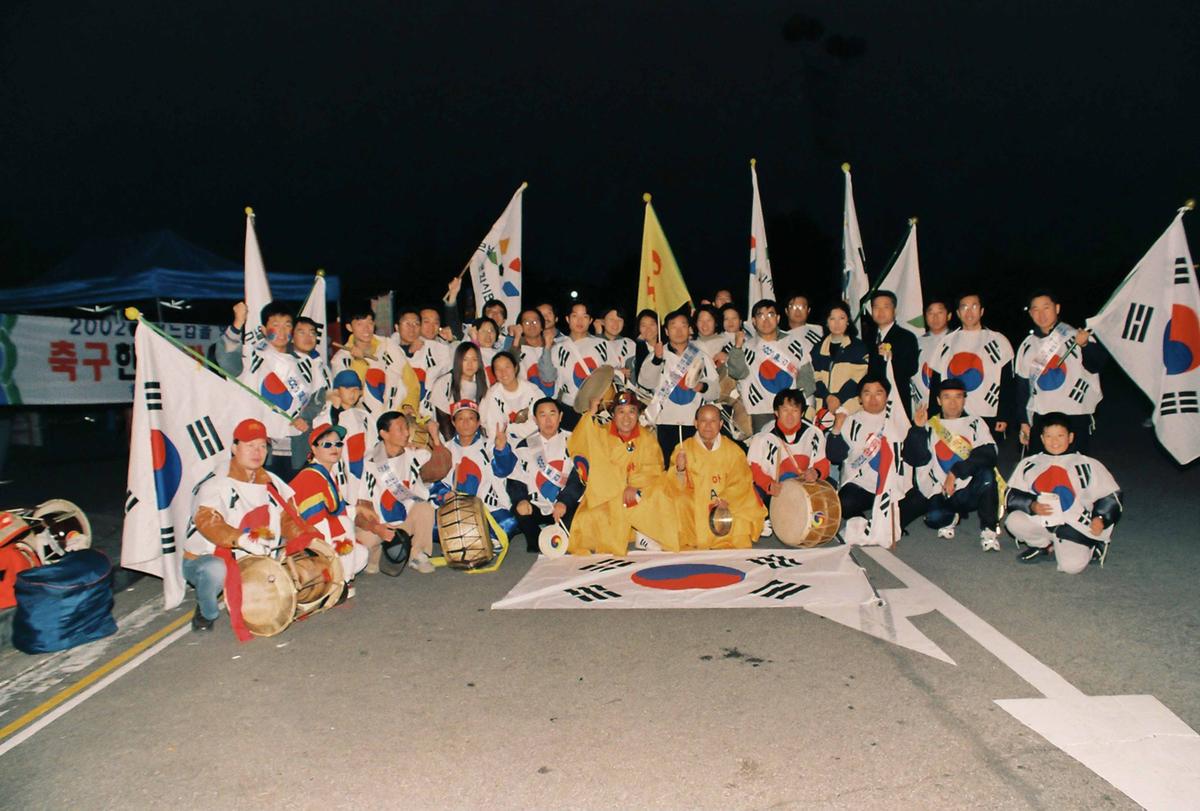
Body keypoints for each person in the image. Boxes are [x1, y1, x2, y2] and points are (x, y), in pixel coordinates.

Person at [186, 419, 319, 634]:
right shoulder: (216, 482)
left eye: (262, 446)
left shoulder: (271, 482)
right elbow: (208, 521)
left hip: (256, 554)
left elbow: (287, 519)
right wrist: (241, 539)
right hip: (208, 556)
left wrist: (305, 536)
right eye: (250, 445)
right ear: (234, 448)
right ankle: (205, 610)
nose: (258, 452)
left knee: (303, 555)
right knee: (214, 570)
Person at [1004, 413, 1122, 573]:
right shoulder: (1029, 463)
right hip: (1043, 520)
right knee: (1013, 521)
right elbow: (1011, 495)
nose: (1054, 441)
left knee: (1071, 567)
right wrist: (1031, 505)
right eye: (1049, 436)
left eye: (1060, 436)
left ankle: (1092, 546)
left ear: (1071, 437)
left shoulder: (1087, 464)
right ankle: (1043, 545)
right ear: (1041, 438)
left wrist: (1101, 518)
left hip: (1075, 525)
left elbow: (1111, 495)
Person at [566, 390, 680, 555]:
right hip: (607, 495)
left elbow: (654, 468)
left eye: (632, 411)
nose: (626, 417)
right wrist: (591, 412)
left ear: (638, 414)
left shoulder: (646, 438)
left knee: (660, 495)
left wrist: (633, 485)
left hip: (637, 492)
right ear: (613, 414)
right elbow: (582, 442)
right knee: (589, 522)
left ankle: (643, 533)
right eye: (621, 411)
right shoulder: (601, 433)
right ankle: (639, 533)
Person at [217, 301, 316, 478]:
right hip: (260, 451)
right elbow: (226, 362)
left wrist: (306, 417)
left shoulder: (304, 362)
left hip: (296, 450)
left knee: (293, 502)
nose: (282, 331)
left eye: (287, 325)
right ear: (263, 330)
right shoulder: (252, 355)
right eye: (275, 325)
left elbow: (317, 397)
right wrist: (238, 322)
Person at [902, 379, 1002, 551]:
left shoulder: (975, 422)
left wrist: (955, 472)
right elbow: (915, 459)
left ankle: (989, 529)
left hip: (968, 489)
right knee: (933, 519)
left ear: (964, 399)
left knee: (987, 474)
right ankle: (951, 518)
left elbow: (989, 454)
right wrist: (917, 429)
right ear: (939, 401)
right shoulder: (930, 425)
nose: (953, 403)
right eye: (947, 397)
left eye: (958, 397)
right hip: (940, 491)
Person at [356, 410, 452, 575]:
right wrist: (375, 527)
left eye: (406, 427)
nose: (407, 432)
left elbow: (440, 469)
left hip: (406, 522)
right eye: (400, 429)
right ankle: (378, 554)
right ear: (384, 434)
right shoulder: (369, 462)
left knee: (424, 508)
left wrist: (435, 439)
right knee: (365, 543)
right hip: (380, 525)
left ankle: (417, 554)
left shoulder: (414, 454)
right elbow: (362, 505)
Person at [826, 375, 922, 532]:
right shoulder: (850, 422)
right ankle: (867, 523)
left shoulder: (899, 420)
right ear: (860, 398)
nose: (873, 398)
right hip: (862, 485)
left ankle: (892, 524)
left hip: (893, 485)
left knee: (920, 499)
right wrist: (836, 428)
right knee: (843, 502)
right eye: (867, 393)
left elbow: (916, 457)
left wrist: (918, 429)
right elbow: (835, 457)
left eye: (878, 393)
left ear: (886, 396)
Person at [1015, 290, 1105, 453]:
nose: (1041, 314)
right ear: (1030, 313)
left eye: (1046, 308)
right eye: (1036, 309)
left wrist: (1085, 346)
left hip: (1074, 413)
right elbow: (1022, 386)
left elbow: (1096, 365)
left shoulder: (1076, 336)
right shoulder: (1027, 346)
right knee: (1040, 469)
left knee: (1073, 468)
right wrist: (1023, 421)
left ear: (1057, 308)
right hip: (1042, 415)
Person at [668, 404, 766, 548]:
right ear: (695, 423)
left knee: (747, 500)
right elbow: (674, 486)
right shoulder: (683, 449)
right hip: (695, 502)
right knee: (679, 502)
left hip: (725, 501)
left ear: (720, 424)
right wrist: (680, 469)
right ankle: (691, 540)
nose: (708, 426)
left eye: (713, 421)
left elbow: (741, 481)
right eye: (703, 421)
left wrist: (726, 498)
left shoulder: (733, 450)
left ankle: (727, 542)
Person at [290, 424, 371, 590]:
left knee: (362, 555)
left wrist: (357, 510)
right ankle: (341, 584)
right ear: (314, 448)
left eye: (338, 444)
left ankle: (336, 577)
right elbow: (314, 520)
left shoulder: (327, 473)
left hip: (322, 530)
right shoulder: (309, 476)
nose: (335, 448)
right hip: (300, 538)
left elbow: (332, 510)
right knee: (345, 524)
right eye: (327, 444)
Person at [927, 292, 1015, 436]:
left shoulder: (998, 341)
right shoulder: (946, 342)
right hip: (952, 414)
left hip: (988, 413)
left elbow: (1007, 382)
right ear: (958, 313)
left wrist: (1004, 415)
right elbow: (936, 382)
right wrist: (933, 415)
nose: (969, 312)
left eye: (974, 306)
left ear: (981, 311)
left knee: (985, 455)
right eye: (964, 307)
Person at [746, 390, 830, 536]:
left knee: (830, 489)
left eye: (795, 410)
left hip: (804, 486)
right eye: (785, 410)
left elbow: (823, 463)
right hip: (773, 488)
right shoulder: (764, 436)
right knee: (750, 492)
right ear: (776, 412)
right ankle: (766, 516)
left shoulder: (814, 433)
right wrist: (769, 485)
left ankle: (804, 517)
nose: (790, 415)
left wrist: (816, 472)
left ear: (802, 412)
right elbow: (753, 469)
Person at [506, 398, 585, 552]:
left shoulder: (573, 442)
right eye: (542, 415)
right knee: (518, 509)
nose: (548, 420)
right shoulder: (524, 445)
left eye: (552, 414)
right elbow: (515, 479)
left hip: (564, 505)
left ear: (560, 416)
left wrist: (564, 501)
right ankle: (535, 540)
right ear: (535, 419)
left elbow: (578, 479)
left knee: (569, 542)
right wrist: (521, 500)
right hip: (535, 505)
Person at [638, 308, 719, 458]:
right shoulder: (656, 355)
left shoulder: (702, 356)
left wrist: (701, 387)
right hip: (664, 422)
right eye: (673, 326)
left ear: (689, 329)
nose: (679, 330)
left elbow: (716, 391)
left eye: (683, 325)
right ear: (666, 332)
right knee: (668, 468)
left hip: (694, 423)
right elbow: (645, 382)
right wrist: (656, 359)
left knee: (695, 468)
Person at [726, 299, 816, 433]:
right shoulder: (747, 347)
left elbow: (807, 378)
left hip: (791, 411)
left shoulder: (795, 343)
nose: (766, 320)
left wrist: (801, 407)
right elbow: (737, 373)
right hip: (762, 410)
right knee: (764, 450)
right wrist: (737, 347)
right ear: (754, 321)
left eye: (770, 315)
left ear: (778, 318)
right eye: (760, 315)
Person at [329, 304, 419, 417]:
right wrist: (359, 362)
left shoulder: (388, 345)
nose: (366, 328)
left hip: (396, 418)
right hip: (365, 423)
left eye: (370, 323)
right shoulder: (340, 359)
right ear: (349, 327)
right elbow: (348, 397)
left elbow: (411, 382)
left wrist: (408, 405)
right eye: (360, 324)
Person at [312, 370, 377, 528]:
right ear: (337, 390)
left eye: (356, 389)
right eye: (347, 388)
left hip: (359, 473)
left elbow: (372, 448)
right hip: (336, 473)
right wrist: (335, 409)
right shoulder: (324, 413)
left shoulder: (364, 415)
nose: (353, 393)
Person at [436, 399, 517, 519]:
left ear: (478, 422)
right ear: (453, 422)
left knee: (508, 522)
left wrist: (501, 449)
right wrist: (444, 495)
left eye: (471, 418)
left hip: (488, 508)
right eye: (461, 419)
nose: (466, 423)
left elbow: (503, 471)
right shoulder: (446, 449)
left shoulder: (488, 446)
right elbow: (438, 482)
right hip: (455, 507)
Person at [544, 301, 612, 414]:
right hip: (569, 407)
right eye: (575, 316)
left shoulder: (602, 344)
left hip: (600, 407)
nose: (580, 321)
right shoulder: (557, 347)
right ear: (567, 319)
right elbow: (551, 380)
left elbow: (613, 372)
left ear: (590, 320)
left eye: (585, 316)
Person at [810, 301, 871, 427]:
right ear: (826, 322)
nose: (837, 323)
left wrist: (839, 398)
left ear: (848, 320)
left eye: (841, 318)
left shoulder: (858, 348)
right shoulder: (817, 349)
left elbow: (859, 378)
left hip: (851, 408)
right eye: (832, 318)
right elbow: (813, 377)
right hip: (823, 412)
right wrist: (828, 397)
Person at [286, 316, 332, 472]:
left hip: (324, 434)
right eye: (302, 332)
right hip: (300, 436)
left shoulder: (321, 365)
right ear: (291, 336)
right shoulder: (287, 363)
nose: (308, 337)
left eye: (312, 333)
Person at [865, 290, 919, 418]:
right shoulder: (868, 337)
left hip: (897, 400)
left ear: (894, 311)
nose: (881, 311)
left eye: (886, 307)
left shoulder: (906, 337)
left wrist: (892, 358)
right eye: (876, 307)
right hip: (872, 402)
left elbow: (911, 368)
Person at [394, 307, 453, 417]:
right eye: (426, 322)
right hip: (405, 411)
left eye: (436, 322)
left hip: (436, 414)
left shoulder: (444, 348)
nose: (431, 326)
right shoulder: (396, 348)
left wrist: (451, 342)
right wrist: (409, 352)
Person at [479, 350, 543, 446]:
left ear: (515, 368)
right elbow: (493, 430)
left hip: (533, 440)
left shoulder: (531, 390)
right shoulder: (492, 395)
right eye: (498, 369)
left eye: (507, 367)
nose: (503, 372)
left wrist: (509, 428)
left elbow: (538, 423)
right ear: (494, 374)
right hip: (504, 445)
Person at [429, 342, 489, 439]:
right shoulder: (445, 383)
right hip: (448, 438)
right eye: (465, 359)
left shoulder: (483, 382)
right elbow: (443, 422)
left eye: (474, 359)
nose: (470, 364)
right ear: (458, 361)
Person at [911, 298, 952, 413]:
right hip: (922, 405)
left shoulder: (957, 340)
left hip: (952, 406)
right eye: (931, 313)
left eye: (940, 312)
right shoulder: (916, 343)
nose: (935, 317)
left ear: (949, 316)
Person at [512, 308, 558, 398]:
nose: (532, 325)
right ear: (520, 326)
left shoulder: (555, 346)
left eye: (535, 322)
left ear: (542, 326)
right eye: (527, 322)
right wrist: (516, 339)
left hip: (553, 401)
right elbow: (510, 366)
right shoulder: (515, 346)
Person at [597, 306, 637, 379]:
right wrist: (599, 336)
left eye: (620, 320)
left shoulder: (629, 344)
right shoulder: (592, 342)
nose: (616, 324)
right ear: (602, 321)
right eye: (611, 319)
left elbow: (632, 372)